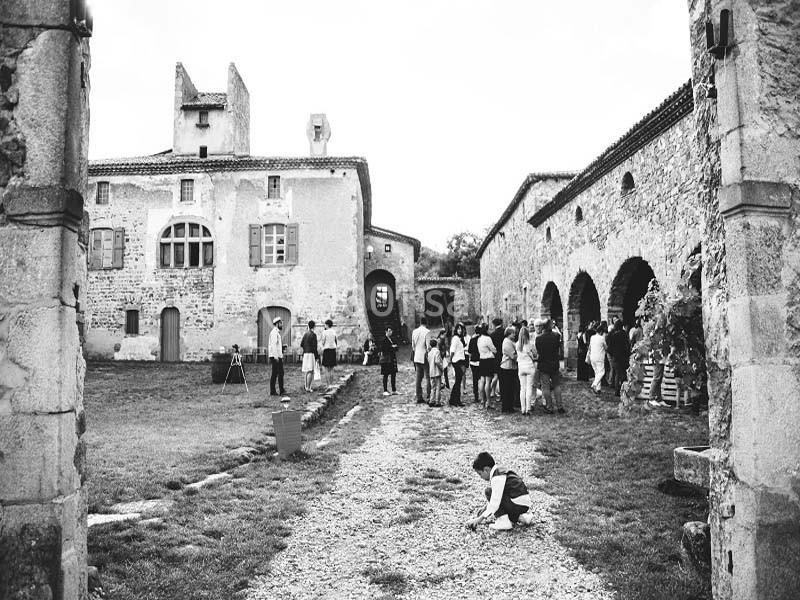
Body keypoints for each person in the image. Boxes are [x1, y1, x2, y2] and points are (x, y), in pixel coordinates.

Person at [465, 451, 534, 531]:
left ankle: (503, 522)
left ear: (486, 470)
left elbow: (495, 501)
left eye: (480, 474)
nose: (481, 477)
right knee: (498, 504)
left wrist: (479, 519)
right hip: (522, 504)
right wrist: (485, 509)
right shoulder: (500, 471)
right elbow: (500, 496)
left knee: (488, 491)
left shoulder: (496, 478)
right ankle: (522, 518)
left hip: (517, 505)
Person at [534, 318, 565, 413]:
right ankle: (560, 406)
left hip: (544, 364)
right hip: (554, 363)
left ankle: (549, 407)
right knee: (556, 385)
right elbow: (559, 348)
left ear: (543, 327)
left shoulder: (539, 338)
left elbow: (538, 351)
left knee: (545, 387)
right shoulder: (556, 336)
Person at [516, 325, 537, 415]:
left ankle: (523, 408)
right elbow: (535, 354)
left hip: (521, 367)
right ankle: (528, 408)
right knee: (529, 388)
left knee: (522, 388)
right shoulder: (531, 344)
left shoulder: (517, 344)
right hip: (529, 367)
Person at [606, 320, 630, 396]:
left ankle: (617, 391)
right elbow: (628, 345)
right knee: (624, 374)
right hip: (624, 357)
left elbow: (609, 349)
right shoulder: (625, 334)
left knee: (617, 374)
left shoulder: (613, 336)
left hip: (616, 357)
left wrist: (613, 354)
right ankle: (624, 391)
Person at [411, 317, 431, 404]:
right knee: (428, 377)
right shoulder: (427, 332)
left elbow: (413, 346)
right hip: (424, 356)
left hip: (417, 356)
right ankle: (429, 396)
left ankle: (419, 396)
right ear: (426, 323)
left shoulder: (414, 331)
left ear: (420, 322)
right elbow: (428, 347)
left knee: (418, 378)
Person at [477, 324, 497, 408]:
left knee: (482, 380)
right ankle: (488, 401)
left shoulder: (479, 339)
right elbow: (494, 350)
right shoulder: (488, 339)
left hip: (482, 359)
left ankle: (483, 399)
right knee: (488, 381)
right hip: (488, 360)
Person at [499, 326, 518, 413]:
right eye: (513, 333)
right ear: (508, 334)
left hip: (511, 367)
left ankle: (509, 406)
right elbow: (513, 356)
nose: (514, 334)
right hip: (507, 368)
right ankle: (507, 407)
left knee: (510, 388)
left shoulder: (510, 341)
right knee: (507, 388)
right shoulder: (507, 342)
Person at [448, 323, 467, 407]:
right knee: (458, 381)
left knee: (458, 381)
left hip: (460, 360)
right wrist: (450, 360)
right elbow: (452, 350)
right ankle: (457, 400)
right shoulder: (455, 338)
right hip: (456, 361)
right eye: (458, 329)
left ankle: (453, 399)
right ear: (456, 330)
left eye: (461, 329)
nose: (460, 330)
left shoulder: (460, 338)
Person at [588, 321, 608, 394]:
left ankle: (598, 389)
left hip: (592, 357)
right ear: (601, 331)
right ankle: (594, 384)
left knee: (597, 373)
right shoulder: (602, 338)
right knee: (602, 372)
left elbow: (590, 347)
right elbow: (606, 347)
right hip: (599, 357)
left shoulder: (592, 337)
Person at [268, 316, 286, 396]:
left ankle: (275, 390)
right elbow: (273, 345)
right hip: (276, 357)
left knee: (276, 373)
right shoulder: (274, 333)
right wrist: (276, 357)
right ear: (277, 324)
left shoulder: (276, 332)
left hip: (277, 356)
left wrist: (282, 347)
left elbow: (277, 345)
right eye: (281, 323)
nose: (282, 325)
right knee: (278, 373)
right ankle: (279, 390)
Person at [299, 320, 319, 393]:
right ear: (314, 326)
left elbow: (301, 344)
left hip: (305, 353)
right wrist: (317, 357)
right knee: (311, 371)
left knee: (307, 371)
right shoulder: (313, 335)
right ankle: (308, 387)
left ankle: (306, 386)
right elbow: (315, 347)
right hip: (311, 354)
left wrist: (305, 348)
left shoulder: (305, 334)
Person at [379, 326, 399, 396]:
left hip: (392, 358)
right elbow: (384, 349)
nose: (391, 332)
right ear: (386, 331)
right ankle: (385, 390)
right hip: (386, 359)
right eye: (389, 331)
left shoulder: (392, 339)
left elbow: (397, 348)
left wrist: (393, 347)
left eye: (391, 331)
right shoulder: (383, 340)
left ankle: (394, 390)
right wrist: (392, 347)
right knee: (386, 374)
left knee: (393, 374)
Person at [320, 319, 338, 388]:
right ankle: (331, 384)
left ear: (327, 325)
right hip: (333, 350)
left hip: (327, 350)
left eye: (325, 324)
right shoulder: (334, 332)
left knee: (327, 368)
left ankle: (328, 384)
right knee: (332, 368)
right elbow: (336, 341)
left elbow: (323, 342)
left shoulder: (324, 332)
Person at [489, 318, 505, 398]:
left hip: (495, 356)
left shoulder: (492, 335)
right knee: (501, 376)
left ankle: (491, 391)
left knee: (495, 375)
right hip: (504, 355)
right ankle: (500, 391)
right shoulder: (505, 332)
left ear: (494, 324)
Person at [467, 326, 481, 403]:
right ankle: (483, 395)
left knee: (475, 379)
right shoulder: (482, 339)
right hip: (480, 361)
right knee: (482, 379)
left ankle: (476, 395)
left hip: (473, 361)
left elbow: (469, 350)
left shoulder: (472, 340)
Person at [427, 339, 443, 407]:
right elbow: (437, 361)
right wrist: (441, 367)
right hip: (437, 371)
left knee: (433, 387)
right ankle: (437, 401)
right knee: (438, 387)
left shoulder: (429, 353)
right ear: (436, 344)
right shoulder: (437, 351)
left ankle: (431, 400)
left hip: (431, 371)